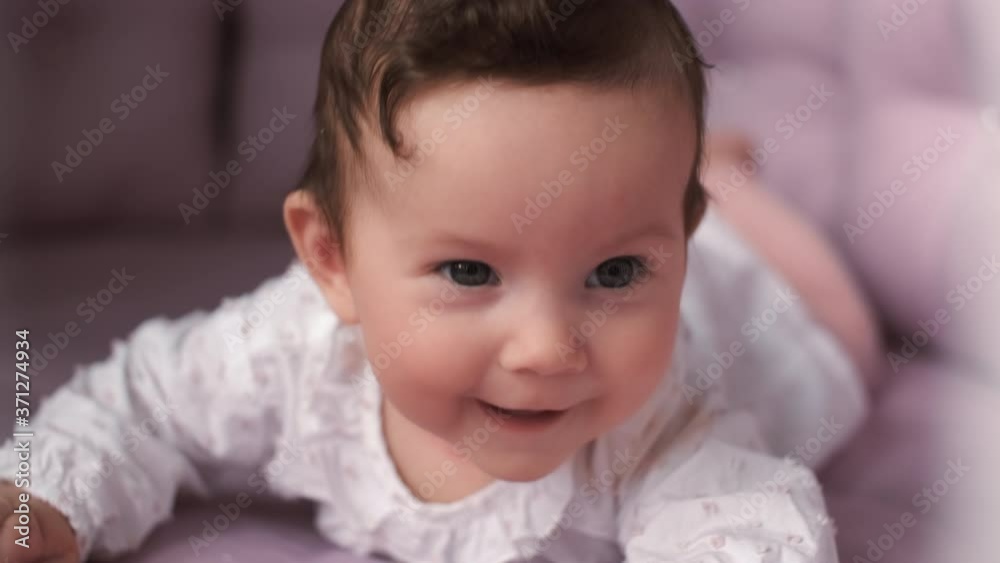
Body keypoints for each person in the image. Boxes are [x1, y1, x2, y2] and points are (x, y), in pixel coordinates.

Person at [0, 1, 880, 561]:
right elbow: (145, 401)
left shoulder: (663, 425)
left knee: (841, 321)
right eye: (469, 270)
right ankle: (699, 188)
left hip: (770, 296)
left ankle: (725, 195)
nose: (544, 349)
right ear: (331, 259)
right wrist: (48, 496)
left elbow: (741, 528)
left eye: (616, 272)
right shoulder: (291, 353)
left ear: (673, 253)